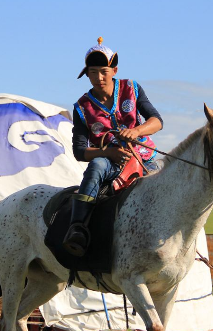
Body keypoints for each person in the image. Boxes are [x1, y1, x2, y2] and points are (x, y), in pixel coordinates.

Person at [62, 37, 163, 257]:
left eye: (104, 72)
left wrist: (136, 131)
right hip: (109, 162)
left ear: (114, 70)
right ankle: (77, 228)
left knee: (165, 187)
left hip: (144, 157)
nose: (99, 78)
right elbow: (80, 151)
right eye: (93, 72)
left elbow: (156, 121)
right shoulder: (81, 107)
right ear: (86, 73)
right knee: (97, 165)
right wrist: (108, 152)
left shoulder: (132, 88)